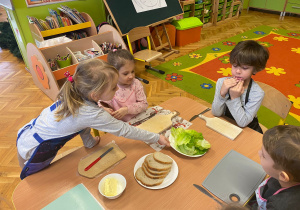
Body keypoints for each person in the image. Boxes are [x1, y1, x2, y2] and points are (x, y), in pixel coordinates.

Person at [16, 59, 170, 180]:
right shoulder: (93, 114)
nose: (117, 89)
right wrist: (157, 137)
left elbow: (80, 122)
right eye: (113, 88)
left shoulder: (75, 92)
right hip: (36, 150)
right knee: (35, 181)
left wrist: (89, 141)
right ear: (95, 95)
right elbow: (125, 130)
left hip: (26, 134)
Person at [211, 40, 269, 133]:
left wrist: (234, 98)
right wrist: (222, 94)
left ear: (255, 70)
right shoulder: (222, 82)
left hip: (248, 130)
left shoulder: (257, 93)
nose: (238, 71)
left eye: (244, 68)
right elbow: (216, 113)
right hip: (226, 125)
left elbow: (243, 123)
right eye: (234, 66)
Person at [254, 125, 300, 209]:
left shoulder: (278, 206)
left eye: (263, 155)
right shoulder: (292, 175)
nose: (259, 153)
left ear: (282, 176)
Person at [98, 49, 148, 122]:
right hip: (123, 126)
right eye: (126, 73)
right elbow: (98, 104)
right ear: (114, 72)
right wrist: (104, 109)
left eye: (132, 71)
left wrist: (127, 110)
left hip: (141, 119)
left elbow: (144, 105)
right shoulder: (108, 87)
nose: (131, 76)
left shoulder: (136, 84)